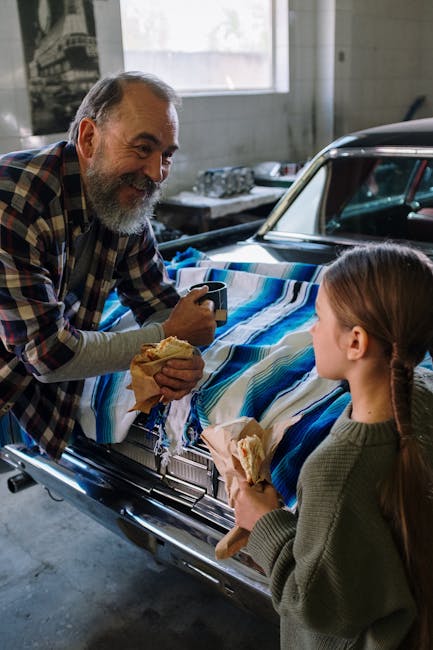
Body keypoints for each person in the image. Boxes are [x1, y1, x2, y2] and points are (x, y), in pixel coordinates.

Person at [0, 71, 216, 460]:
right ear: (88, 139)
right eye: (142, 148)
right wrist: (165, 335)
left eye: (166, 155)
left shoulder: (121, 206)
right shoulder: (12, 201)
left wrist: (181, 358)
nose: (156, 173)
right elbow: (49, 355)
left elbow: (158, 304)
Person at [234, 243, 433, 649]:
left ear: (356, 342)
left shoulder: (335, 472)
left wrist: (265, 523)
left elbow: (316, 604)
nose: (311, 329)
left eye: (319, 317)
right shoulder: (423, 401)